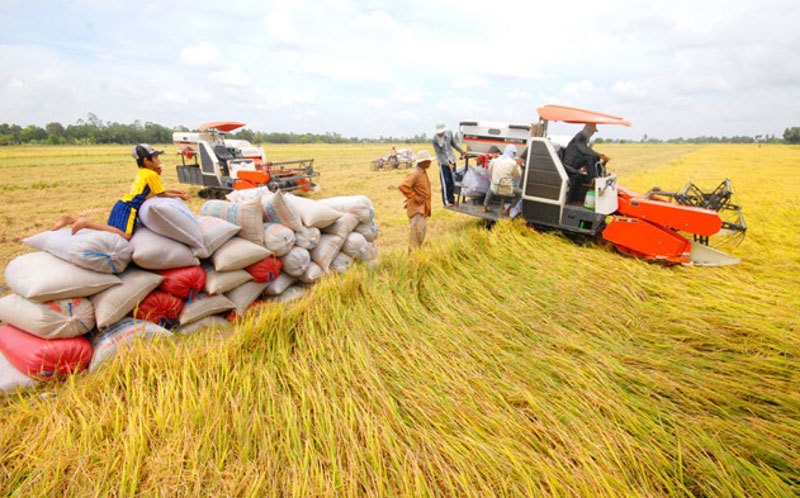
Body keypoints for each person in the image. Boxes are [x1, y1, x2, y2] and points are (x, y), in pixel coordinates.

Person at [52, 143, 190, 240]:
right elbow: (162, 194)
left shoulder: (144, 172)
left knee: (111, 232)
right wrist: (180, 197)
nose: (159, 160)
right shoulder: (151, 175)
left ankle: (71, 220)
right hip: (129, 209)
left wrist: (177, 192)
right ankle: (85, 223)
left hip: (121, 204)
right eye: (156, 158)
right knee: (126, 236)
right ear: (147, 160)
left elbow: (157, 191)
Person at [562, 123, 610, 203]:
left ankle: (598, 175)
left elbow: (587, 150)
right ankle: (591, 178)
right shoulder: (579, 137)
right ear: (587, 130)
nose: (592, 133)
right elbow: (585, 150)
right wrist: (600, 155)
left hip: (575, 160)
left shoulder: (583, 138)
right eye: (592, 131)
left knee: (594, 157)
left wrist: (599, 156)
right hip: (570, 163)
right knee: (589, 157)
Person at [398, 150, 433, 251]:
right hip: (417, 210)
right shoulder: (415, 173)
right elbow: (403, 186)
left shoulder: (422, 172)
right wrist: (414, 197)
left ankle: (416, 256)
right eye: (428, 161)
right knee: (416, 238)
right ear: (422, 162)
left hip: (422, 208)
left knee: (420, 235)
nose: (430, 162)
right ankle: (413, 259)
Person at [432, 121, 465, 207]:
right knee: (445, 181)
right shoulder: (435, 139)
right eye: (439, 132)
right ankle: (446, 202)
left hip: (452, 159)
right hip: (443, 163)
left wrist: (461, 151)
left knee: (452, 181)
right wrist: (447, 164)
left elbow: (453, 144)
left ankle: (452, 200)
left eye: (442, 132)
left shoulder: (449, 133)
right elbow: (439, 154)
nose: (440, 133)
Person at [482, 144, 522, 214]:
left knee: (490, 189)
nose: (514, 154)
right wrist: (518, 166)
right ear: (512, 153)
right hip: (508, 189)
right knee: (520, 194)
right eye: (514, 153)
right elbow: (517, 175)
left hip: (495, 187)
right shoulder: (513, 163)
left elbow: (490, 170)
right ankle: (509, 209)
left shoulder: (495, 161)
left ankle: (485, 206)